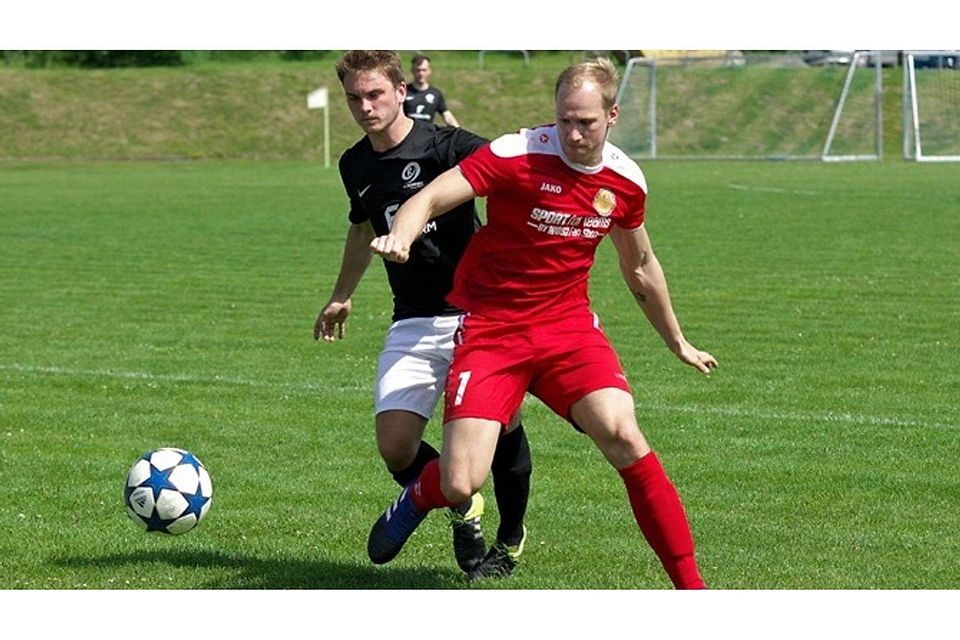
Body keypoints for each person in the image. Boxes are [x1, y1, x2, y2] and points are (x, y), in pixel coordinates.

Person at [367, 57, 716, 589]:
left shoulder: (624, 180)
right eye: (565, 120)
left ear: (613, 116)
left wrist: (678, 341)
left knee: (624, 433)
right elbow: (433, 194)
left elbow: (640, 266)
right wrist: (403, 234)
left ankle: (693, 590)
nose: (573, 134)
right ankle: (419, 495)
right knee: (462, 481)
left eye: (586, 123)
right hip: (492, 330)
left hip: (567, 329)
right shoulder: (517, 153)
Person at [314, 50, 531, 579]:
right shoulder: (355, 164)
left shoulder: (446, 145)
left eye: (375, 95)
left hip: (478, 316)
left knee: (503, 430)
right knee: (395, 446)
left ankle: (509, 536)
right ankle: (464, 506)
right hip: (412, 318)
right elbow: (363, 227)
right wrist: (342, 294)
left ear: (401, 91)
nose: (364, 107)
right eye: (354, 98)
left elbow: (516, 166)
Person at [403, 54, 460, 128]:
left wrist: (458, 132)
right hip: (407, 135)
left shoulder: (436, 94)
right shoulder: (404, 91)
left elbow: (447, 115)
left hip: (427, 135)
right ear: (412, 71)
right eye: (418, 70)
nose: (421, 73)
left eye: (424, 70)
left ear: (429, 71)